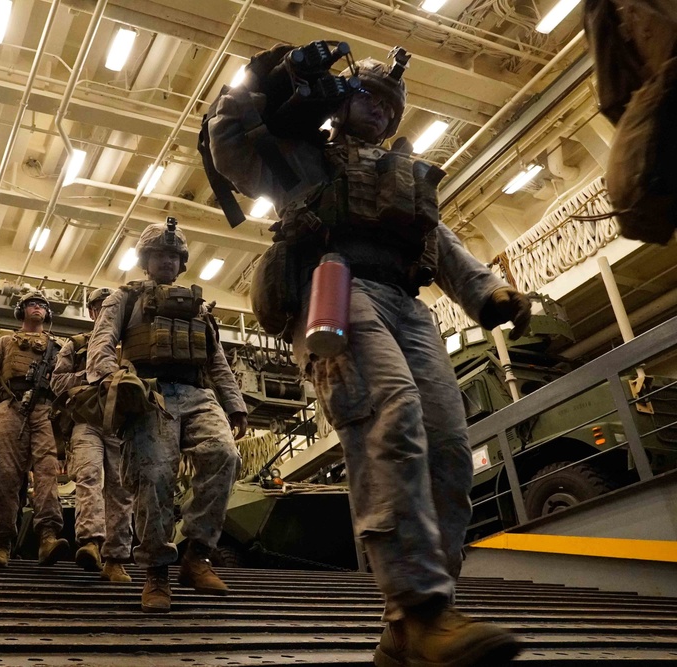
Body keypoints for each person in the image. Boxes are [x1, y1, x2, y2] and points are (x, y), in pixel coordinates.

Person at [207, 45, 531, 667]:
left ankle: (409, 626)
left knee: (449, 447)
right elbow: (231, 146)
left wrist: (489, 292)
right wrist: (260, 82)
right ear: (341, 99)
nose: (379, 111)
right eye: (368, 96)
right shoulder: (306, 158)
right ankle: (422, 607)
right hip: (333, 289)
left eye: (390, 105)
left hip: (408, 304)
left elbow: (445, 244)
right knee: (392, 416)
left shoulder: (406, 177)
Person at [86, 218, 249, 614]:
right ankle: (157, 572)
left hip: (196, 393)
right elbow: (102, 342)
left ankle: (197, 556)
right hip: (149, 393)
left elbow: (217, 361)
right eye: (158, 254)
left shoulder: (198, 306)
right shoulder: (125, 297)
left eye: (173, 256)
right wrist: (110, 377)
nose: (166, 262)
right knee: (154, 476)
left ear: (182, 262)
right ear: (145, 260)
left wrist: (235, 404)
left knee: (224, 455)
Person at [0, 291, 70, 568]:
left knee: (47, 472)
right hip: (10, 408)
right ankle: (2, 544)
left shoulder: (58, 346)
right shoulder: (4, 342)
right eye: (32, 304)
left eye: (42, 306)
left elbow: (64, 384)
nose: (38, 308)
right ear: (21, 310)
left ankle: (48, 536)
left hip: (45, 411)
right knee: (7, 476)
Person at [51, 287, 135, 583]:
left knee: (122, 489)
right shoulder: (75, 345)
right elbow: (57, 382)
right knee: (88, 477)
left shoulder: (133, 341)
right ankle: (91, 543)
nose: (104, 311)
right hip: (85, 421)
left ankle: (116, 559)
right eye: (99, 307)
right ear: (91, 312)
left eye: (109, 306)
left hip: (122, 424)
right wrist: (91, 375)